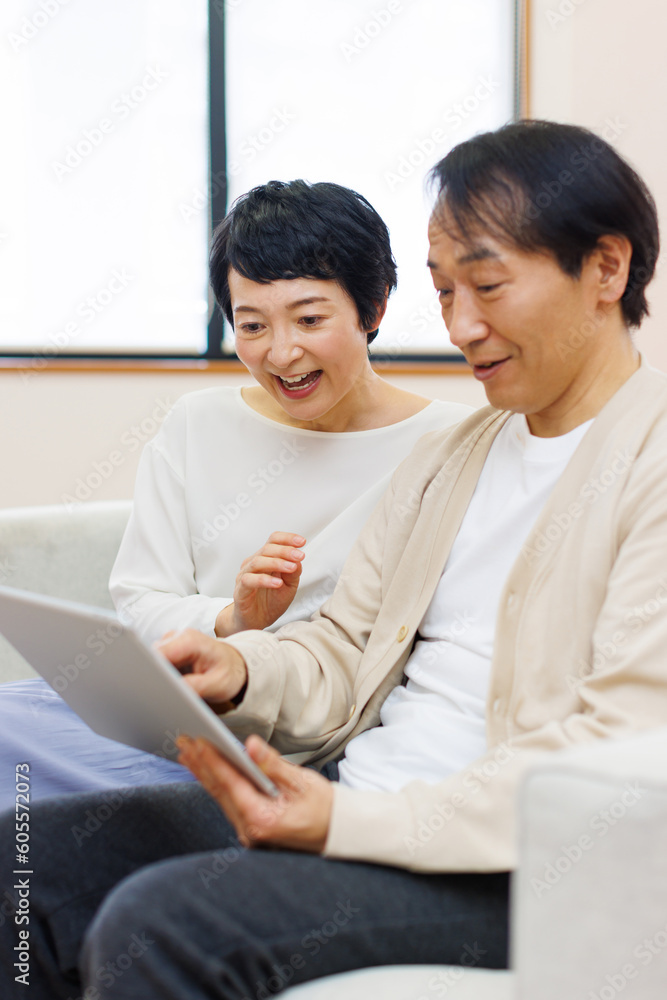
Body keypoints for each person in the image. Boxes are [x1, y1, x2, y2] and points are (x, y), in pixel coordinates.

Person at [2, 119, 665, 999]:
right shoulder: (453, 457)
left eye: (487, 287)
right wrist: (242, 667)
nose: (461, 326)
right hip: (357, 797)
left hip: (512, 866)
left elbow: (618, 751)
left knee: (162, 923)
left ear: (606, 269)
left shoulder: (649, 462)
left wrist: (355, 823)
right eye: (444, 291)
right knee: (25, 863)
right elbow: (344, 648)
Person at [0, 180, 471, 809]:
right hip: (170, 709)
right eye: (252, 325)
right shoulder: (197, 424)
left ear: (375, 306)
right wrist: (235, 619)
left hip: (296, 744)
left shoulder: (450, 446)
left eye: (310, 319)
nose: (281, 353)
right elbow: (141, 603)